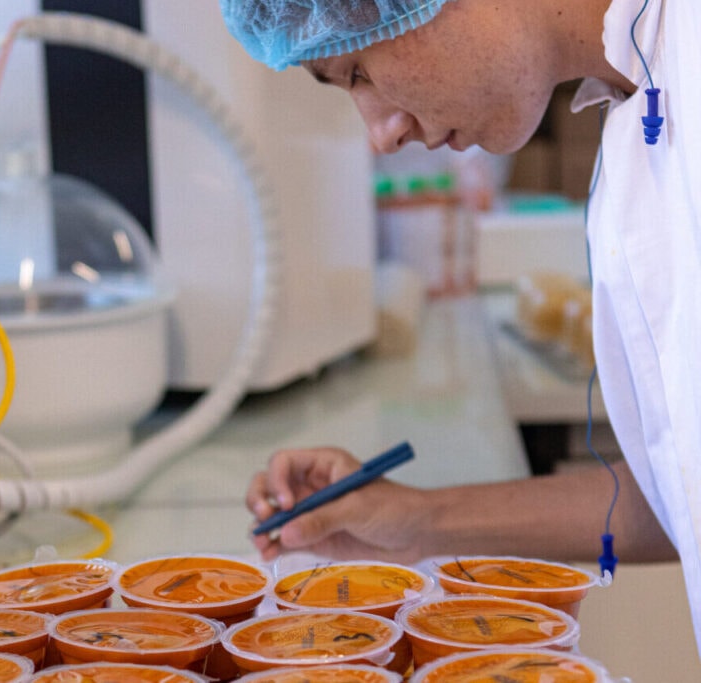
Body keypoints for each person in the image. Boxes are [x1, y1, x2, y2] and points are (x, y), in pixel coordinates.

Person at [221, 0, 701, 655]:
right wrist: (418, 520)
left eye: (357, 70)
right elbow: (683, 485)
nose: (380, 137)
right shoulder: (634, 109)